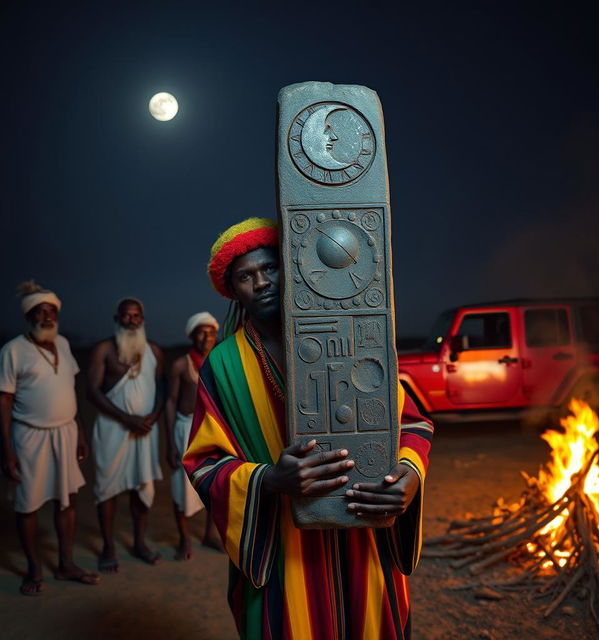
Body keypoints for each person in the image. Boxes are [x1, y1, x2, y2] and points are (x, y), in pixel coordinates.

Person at [183, 218, 433, 639]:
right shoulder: (223, 365)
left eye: (271, 268)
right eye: (246, 276)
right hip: (283, 548)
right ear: (234, 292)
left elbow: (409, 420)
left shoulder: (354, 334)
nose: (261, 283)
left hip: (363, 533)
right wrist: (269, 479)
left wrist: (408, 474)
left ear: (293, 267)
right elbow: (204, 462)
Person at [0, 281, 100, 595]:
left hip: (65, 433)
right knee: (27, 505)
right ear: (29, 316)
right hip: (29, 436)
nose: (47, 316)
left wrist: (80, 433)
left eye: (51, 311)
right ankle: (34, 569)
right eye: (40, 311)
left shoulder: (64, 344)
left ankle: (65, 564)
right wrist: (7, 451)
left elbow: (70, 391)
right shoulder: (13, 350)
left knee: (66, 499)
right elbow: (3, 400)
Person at [87, 297, 164, 572]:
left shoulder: (154, 350)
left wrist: (153, 416)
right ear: (116, 318)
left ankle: (140, 543)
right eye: (126, 316)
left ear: (142, 319)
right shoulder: (104, 350)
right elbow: (92, 391)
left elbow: (160, 389)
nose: (132, 320)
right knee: (107, 488)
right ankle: (108, 546)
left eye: (136, 316)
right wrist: (125, 418)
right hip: (112, 429)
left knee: (141, 485)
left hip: (145, 431)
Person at [165, 311, 223, 559]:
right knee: (182, 486)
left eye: (210, 332)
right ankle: (184, 540)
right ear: (192, 335)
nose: (206, 337)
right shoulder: (181, 364)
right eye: (201, 331)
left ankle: (210, 535)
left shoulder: (219, 360)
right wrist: (169, 443)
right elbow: (170, 402)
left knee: (213, 483)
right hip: (186, 428)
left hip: (213, 429)